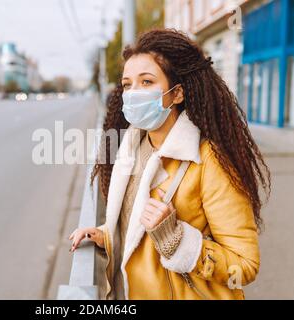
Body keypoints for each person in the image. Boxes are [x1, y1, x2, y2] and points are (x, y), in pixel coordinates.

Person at [68, 28, 271, 300]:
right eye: (128, 84)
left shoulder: (210, 160)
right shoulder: (133, 148)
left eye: (147, 82)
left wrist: (177, 240)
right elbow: (137, 225)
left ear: (177, 94)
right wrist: (107, 235)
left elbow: (244, 265)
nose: (133, 93)